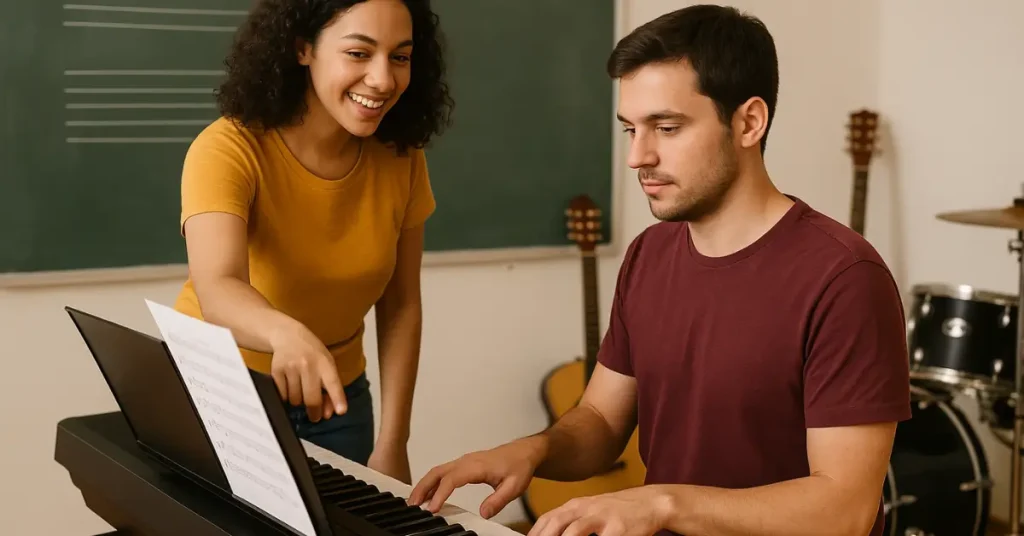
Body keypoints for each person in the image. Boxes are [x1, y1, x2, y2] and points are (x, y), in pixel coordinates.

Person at [408, 5, 910, 536]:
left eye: (666, 128)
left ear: (749, 122)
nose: (637, 156)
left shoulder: (845, 278)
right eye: (630, 129)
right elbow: (601, 421)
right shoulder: (649, 253)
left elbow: (845, 509)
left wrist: (662, 504)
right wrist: (532, 451)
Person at [173, 0, 453, 483]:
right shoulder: (227, 148)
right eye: (359, 53)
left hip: (338, 401)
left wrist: (393, 441)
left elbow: (402, 303)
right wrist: (286, 334)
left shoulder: (402, 157)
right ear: (303, 49)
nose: (383, 80)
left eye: (400, 57)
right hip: (218, 388)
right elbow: (217, 287)